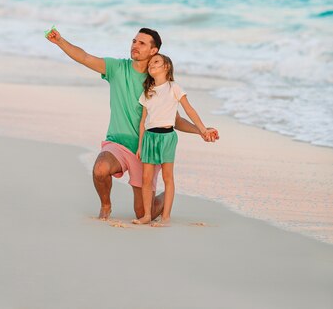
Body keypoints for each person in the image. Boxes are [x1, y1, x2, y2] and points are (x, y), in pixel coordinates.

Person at [46, 27, 219, 221]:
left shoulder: (158, 84)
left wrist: (201, 131)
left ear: (154, 51)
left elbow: (175, 120)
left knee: (144, 212)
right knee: (100, 169)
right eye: (134, 41)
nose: (135, 45)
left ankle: (164, 197)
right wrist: (60, 41)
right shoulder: (117, 68)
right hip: (117, 145)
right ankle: (105, 205)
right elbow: (85, 57)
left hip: (145, 151)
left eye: (142, 43)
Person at [133, 53, 210, 227]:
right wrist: (140, 146)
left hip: (167, 137)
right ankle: (146, 215)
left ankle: (166, 216)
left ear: (166, 67)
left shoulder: (174, 87)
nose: (152, 64)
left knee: (168, 177)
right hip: (149, 139)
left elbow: (189, 110)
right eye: (151, 62)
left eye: (156, 62)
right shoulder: (147, 91)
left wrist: (203, 129)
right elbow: (142, 122)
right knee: (146, 178)